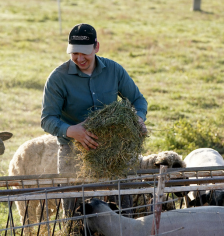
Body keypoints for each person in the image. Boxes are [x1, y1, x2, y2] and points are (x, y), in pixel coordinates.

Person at [40, 23, 148, 216]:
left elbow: (138, 101)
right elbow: (47, 119)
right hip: (73, 152)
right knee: (75, 213)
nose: (79, 58)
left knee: (123, 208)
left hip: (115, 149)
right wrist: (72, 131)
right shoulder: (58, 78)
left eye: (84, 53)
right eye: (74, 53)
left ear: (96, 47)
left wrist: (138, 120)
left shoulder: (114, 70)